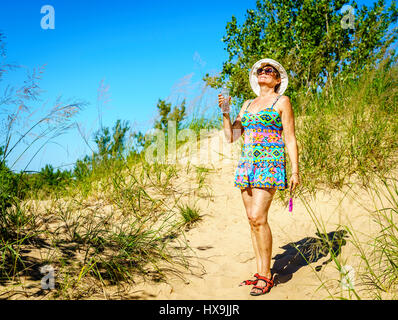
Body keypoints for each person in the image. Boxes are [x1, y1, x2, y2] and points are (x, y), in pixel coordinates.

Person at [218, 58, 300, 296]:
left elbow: (290, 138)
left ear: (277, 79)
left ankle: (266, 276)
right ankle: (260, 272)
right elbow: (231, 136)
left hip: (270, 163)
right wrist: (225, 112)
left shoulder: (282, 101)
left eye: (269, 70)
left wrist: (295, 170)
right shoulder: (246, 105)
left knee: (258, 216)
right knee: (251, 220)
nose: (264, 72)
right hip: (247, 164)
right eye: (261, 70)